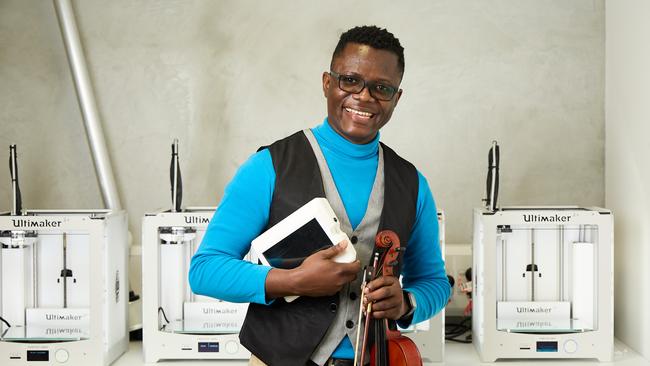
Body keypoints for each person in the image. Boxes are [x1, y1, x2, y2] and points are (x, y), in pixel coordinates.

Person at [189, 25, 450, 366]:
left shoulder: (414, 184)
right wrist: (291, 280)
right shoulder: (268, 167)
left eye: (381, 88)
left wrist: (406, 304)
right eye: (350, 80)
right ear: (328, 83)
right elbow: (205, 270)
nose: (365, 97)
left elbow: (434, 281)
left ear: (396, 98)